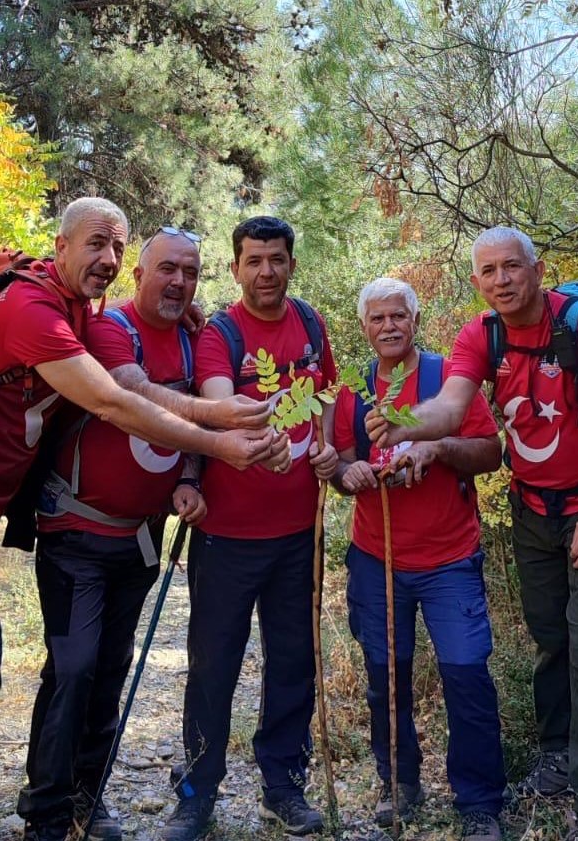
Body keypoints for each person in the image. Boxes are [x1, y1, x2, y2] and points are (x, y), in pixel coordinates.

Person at [0, 198, 277, 841]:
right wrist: (223, 436)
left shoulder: (73, 306)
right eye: (97, 245)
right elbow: (113, 399)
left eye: (116, 248)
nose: (107, 259)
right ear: (60, 246)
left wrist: (192, 462)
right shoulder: (33, 309)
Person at [365, 227, 578, 841]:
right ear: (477, 281)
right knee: (552, 638)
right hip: (531, 511)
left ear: (536, 269)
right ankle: (556, 758)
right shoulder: (482, 334)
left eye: (511, 267)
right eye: (489, 271)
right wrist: (403, 422)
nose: (501, 280)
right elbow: (450, 408)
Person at [15, 227, 219, 841]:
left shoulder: (193, 342)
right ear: (139, 274)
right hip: (76, 532)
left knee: (111, 667)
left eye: (189, 271)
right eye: (166, 269)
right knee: (73, 668)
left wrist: (189, 474)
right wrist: (219, 432)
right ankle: (46, 810)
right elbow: (131, 395)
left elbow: (182, 431)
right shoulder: (110, 330)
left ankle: (87, 795)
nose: (178, 282)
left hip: (139, 539)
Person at [160, 216, 338, 841]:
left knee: (293, 663)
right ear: (235, 268)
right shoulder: (221, 335)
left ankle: (282, 787)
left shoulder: (312, 325)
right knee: (214, 666)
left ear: (292, 263)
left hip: (297, 535)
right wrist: (257, 436)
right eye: (255, 260)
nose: (267, 271)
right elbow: (218, 410)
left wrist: (328, 451)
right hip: (227, 535)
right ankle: (196, 794)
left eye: (278, 259)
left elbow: (329, 401)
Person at [332, 277, 508, 841]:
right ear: (365, 327)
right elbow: (341, 462)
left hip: (450, 558)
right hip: (375, 558)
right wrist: (349, 473)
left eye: (398, 317)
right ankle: (399, 783)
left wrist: (435, 450)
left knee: (466, 674)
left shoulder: (445, 381)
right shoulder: (353, 392)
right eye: (378, 318)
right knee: (387, 678)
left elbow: (490, 453)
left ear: (414, 320)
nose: (389, 327)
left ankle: (479, 803)